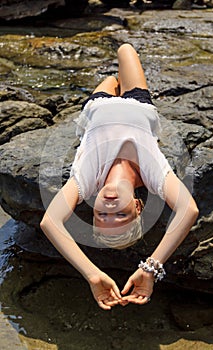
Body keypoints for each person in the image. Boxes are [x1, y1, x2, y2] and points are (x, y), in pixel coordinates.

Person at [40, 43, 199, 310]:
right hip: (139, 103)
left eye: (101, 215)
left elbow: (50, 221)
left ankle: (113, 81)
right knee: (125, 49)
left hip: (96, 106)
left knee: (111, 79)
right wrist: (150, 268)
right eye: (121, 215)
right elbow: (189, 209)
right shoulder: (154, 175)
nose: (109, 209)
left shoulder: (85, 179)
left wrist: (92, 274)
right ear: (138, 206)